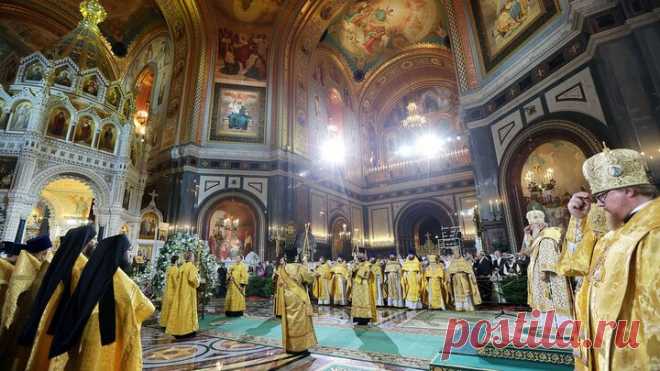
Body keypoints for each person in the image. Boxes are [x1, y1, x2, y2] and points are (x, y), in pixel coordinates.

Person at [564, 146, 659, 370]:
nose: (598, 204)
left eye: (603, 195)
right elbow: (574, 266)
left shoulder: (653, 230)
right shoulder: (615, 236)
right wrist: (578, 220)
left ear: (630, 190)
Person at [47, 234, 154, 370]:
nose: (129, 255)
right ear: (119, 253)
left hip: (87, 330)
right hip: (108, 336)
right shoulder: (119, 278)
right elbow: (146, 308)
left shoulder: (90, 272)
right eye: (127, 251)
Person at [17, 225, 97, 371]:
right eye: (92, 241)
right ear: (85, 243)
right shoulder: (79, 264)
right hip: (61, 320)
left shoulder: (61, 257)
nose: (93, 244)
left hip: (48, 315)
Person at [521, 209, 573, 326]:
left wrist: (544, 271)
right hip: (538, 275)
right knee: (543, 301)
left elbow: (548, 253)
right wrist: (526, 234)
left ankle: (559, 324)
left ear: (539, 224)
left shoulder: (547, 235)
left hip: (548, 276)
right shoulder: (538, 236)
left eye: (532, 225)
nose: (531, 227)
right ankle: (547, 325)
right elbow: (529, 249)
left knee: (551, 300)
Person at [279, 245, 317, 354]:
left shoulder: (283, 269)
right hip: (298, 297)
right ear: (296, 257)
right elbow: (308, 278)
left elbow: (280, 284)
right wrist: (313, 272)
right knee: (300, 321)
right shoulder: (299, 267)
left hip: (286, 298)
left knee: (289, 321)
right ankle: (300, 347)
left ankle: (290, 346)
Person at [165, 251, 200, 338]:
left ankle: (178, 330)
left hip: (180, 292)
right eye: (193, 257)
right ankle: (188, 330)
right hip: (188, 292)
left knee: (180, 310)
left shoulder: (181, 267)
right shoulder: (191, 267)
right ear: (191, 258)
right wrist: (198, 280)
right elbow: (192, 279)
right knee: (187, 311)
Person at [350, 254, 376, 325]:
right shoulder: (356, 264)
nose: (360, 259)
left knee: (365, 301)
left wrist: (359, 270)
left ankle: (366, 318)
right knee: (357, 301)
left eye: (361, 257)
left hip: (364, 284)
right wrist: (353, 269)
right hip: (357, 284)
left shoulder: (368, 264)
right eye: (359, 258)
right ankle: (357, 318)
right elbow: (351, 273)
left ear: (364, 258)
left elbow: (367, 274)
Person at [159, 255, 179, 327]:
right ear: (176, 261)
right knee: (171, 309)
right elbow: (175, 281)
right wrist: (178, 289)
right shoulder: (175, 269)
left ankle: (163, 323)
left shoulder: (168, 268)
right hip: (172, 292)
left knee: (165, 308)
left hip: (167, 290)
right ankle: (169, 324)